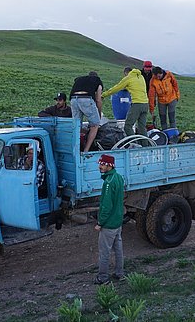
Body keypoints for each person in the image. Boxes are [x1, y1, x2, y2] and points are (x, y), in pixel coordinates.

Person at [94, 154, 125, 285]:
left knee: (104, 252)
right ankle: (119, 273)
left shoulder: (108, 183)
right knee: (118, 249)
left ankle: (103, 277)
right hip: (118, 221)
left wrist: (100, 223)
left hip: (109, 224)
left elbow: (106, 206)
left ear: (109, 165)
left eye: (102, 164)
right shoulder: (118, 177)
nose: (99, 166)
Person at [102, 67, 148, 139]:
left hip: (137, 104)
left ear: (126, 73)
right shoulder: (140, 76)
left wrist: (103, 95)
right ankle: (145, 145)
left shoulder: (128, 78)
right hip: (145, 104)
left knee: (128, 126)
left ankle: (134, 144)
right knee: (142, 127)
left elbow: (116, 88)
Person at [70, 71, 103, 152]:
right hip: (86, 99)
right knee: (95, 125)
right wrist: (98, 114)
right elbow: (98, 100)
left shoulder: (80, 79)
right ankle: (86, 150)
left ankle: (75, 148)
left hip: (73, 99)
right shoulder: (98, 81)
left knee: (77, 125)